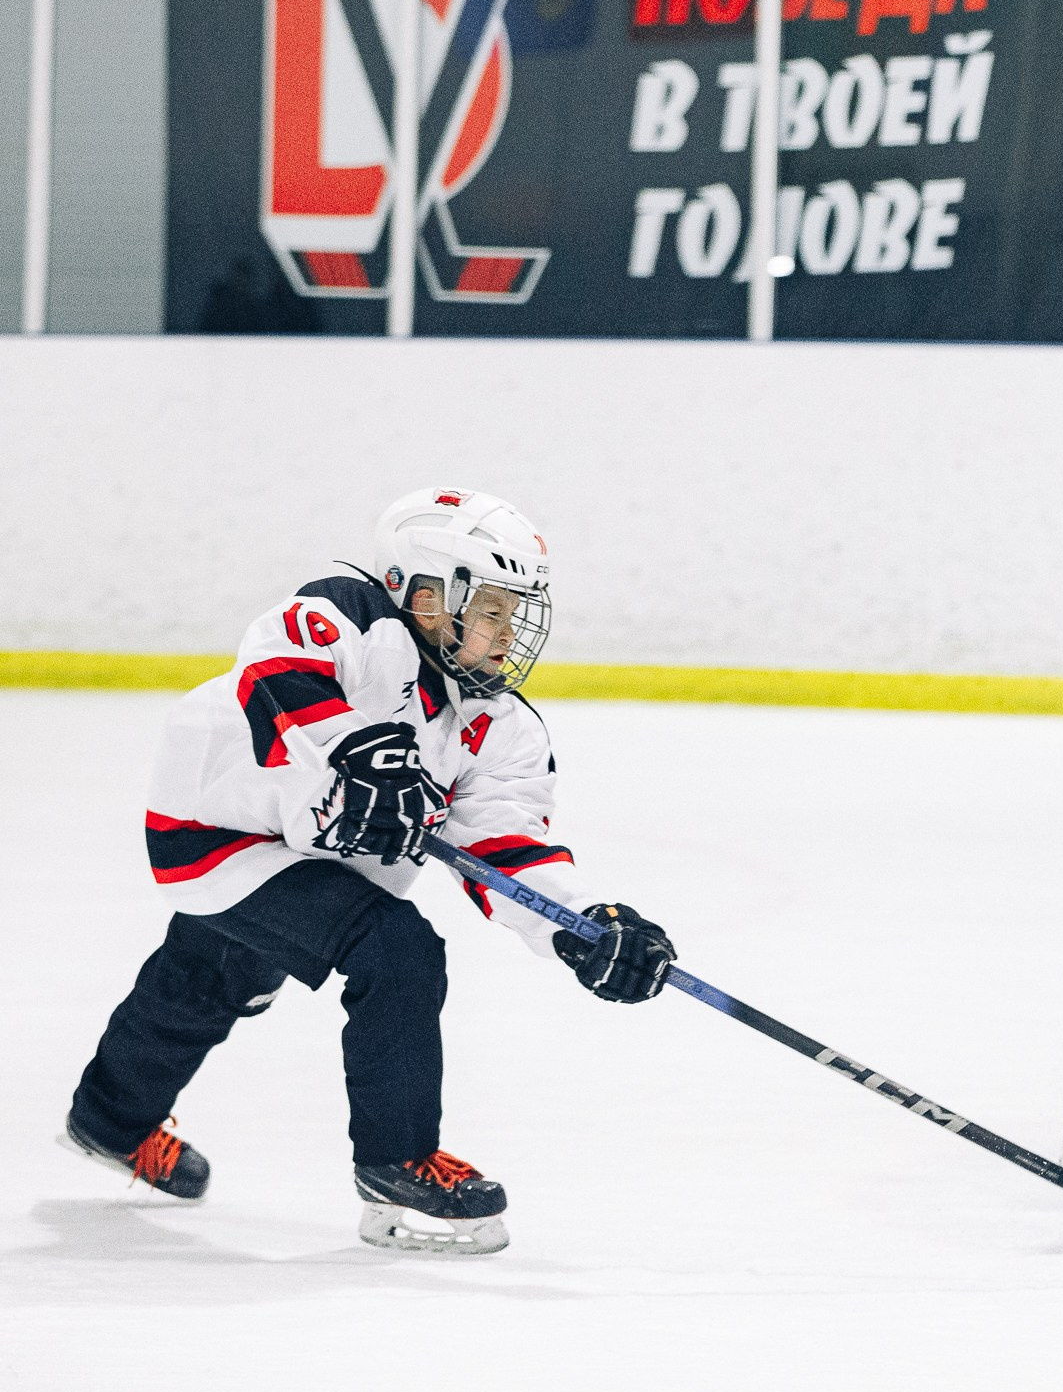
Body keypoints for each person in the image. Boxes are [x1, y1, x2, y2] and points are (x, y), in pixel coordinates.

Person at [60, 488, 677, 1255]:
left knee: (216, 974)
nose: (509, 632)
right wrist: (356, 750)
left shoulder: (502, 728)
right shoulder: (352, 618)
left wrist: (584, 926)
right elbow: (277, 667)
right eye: (491, 609)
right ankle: (398, 1162)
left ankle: (109, 1118)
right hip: (216, 825)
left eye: (515, 612)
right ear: (426, 596)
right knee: (397, 950)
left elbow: (507, 851)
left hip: (318, 851)